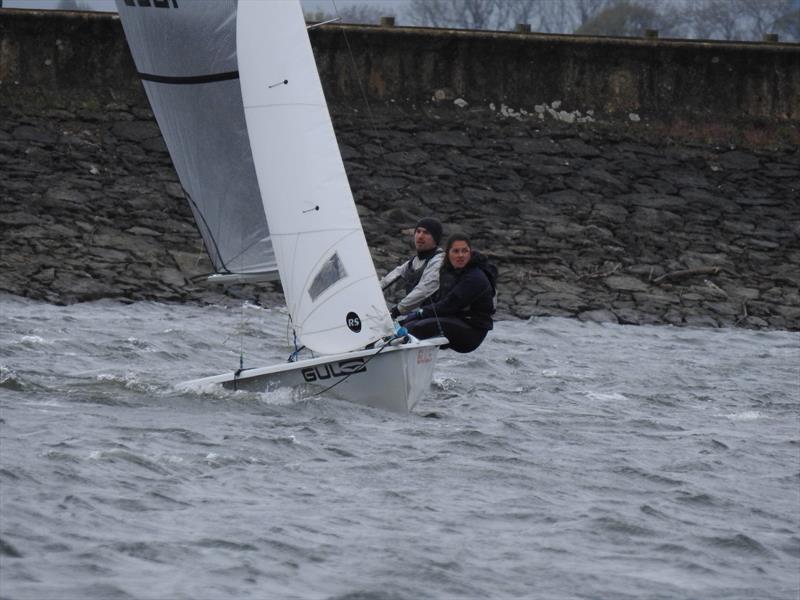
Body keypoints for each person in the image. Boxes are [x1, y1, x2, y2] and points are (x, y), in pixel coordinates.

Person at [401, 233, 495, 353]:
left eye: (464, 251)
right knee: (403, 326)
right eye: (456, 251)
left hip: (471, 332)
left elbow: (448, 305)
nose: (460, 255)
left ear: (470, 253)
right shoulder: (449, 272)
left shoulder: (475, 278)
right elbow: (436, 300)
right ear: (448, 254)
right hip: (454, 320)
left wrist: (420, 313)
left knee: (413, 328)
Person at [380, 217, 445, 319]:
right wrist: (372, 294)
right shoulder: (413, 263)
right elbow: (390, 281)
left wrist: (397, 310)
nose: (420, 236)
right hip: (418, 316)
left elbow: (424, 290)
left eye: (426, 233)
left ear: (435, 238)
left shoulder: (440, 261)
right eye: (418, 231)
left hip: (437, 317)